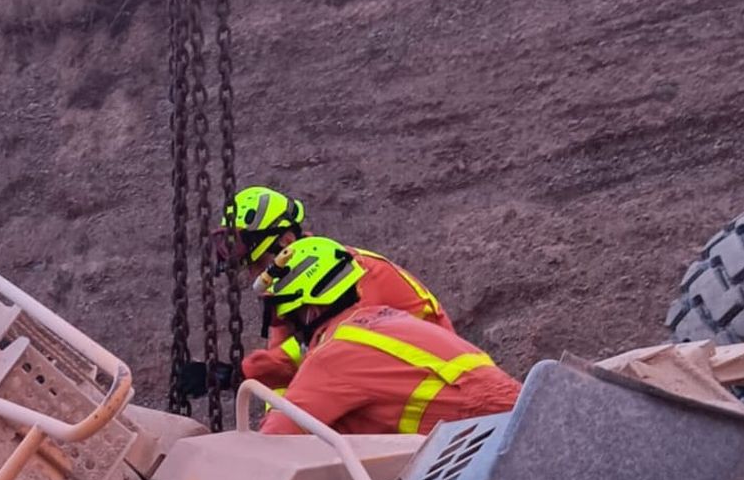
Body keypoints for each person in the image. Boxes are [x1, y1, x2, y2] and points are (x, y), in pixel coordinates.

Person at [254, 238, 520, 438]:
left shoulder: (333, 356)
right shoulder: (387, 319)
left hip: (484, 442)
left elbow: (275, 443)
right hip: (523, 412)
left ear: (311, 309)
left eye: (286, 317)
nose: (289, 328)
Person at [218, 185, 446, 393]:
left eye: (257, 265)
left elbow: (320, 351)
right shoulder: (293, 286)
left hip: (430, 378)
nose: (255, 276)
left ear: (286, 242)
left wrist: (237, 373)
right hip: (387, 372)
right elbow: (283, 362)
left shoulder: (349, 276)